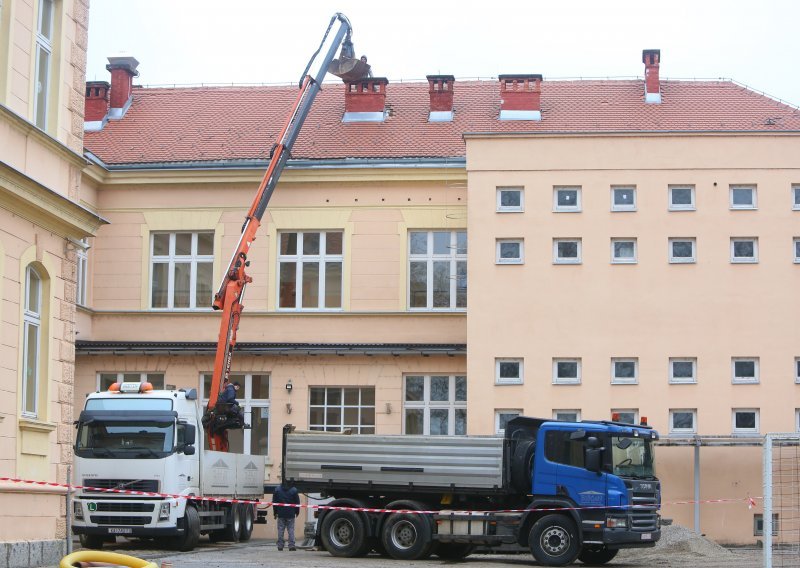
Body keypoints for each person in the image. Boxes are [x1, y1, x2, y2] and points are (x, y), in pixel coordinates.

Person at [273, 480, 300, 551]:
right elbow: (297, 502)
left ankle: (280, 546)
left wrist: (275, 512)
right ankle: (291, 546)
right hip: (291, 513)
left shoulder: (277, 490)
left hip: (281, 513)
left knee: (280, 529)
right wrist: (297, 512)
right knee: (291, 529)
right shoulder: (294, 490)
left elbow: (274, 502)